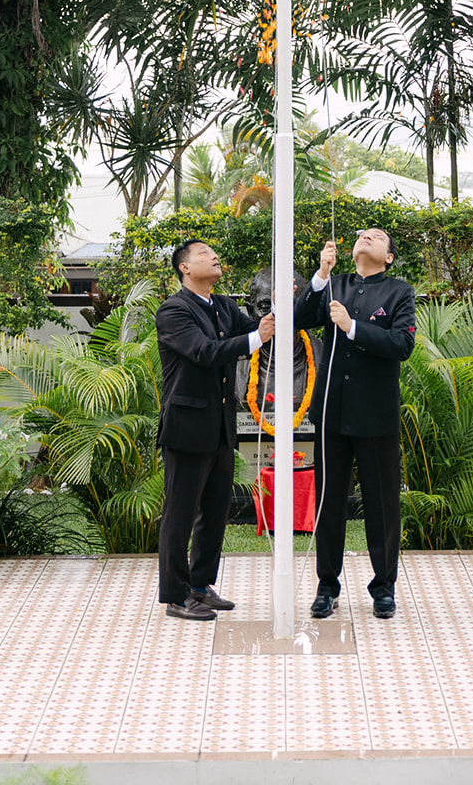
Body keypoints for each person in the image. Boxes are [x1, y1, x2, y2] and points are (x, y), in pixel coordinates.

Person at [294, 227, 416, 622]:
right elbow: (298, 318)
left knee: (382, 503)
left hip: (376, 414)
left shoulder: (399, 292)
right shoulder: (335, 283)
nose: (366, 236)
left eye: (376, 236)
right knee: (329, 500)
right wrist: (320, 276)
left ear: (389, 256)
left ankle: (384, 587)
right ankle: (327, 585)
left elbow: (402, 345)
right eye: (362, 234)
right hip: (331, 411)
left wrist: (352, 328)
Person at [155, 240, 274, 621]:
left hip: (220, 429)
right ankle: (176, 595)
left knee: (214, 511)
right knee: (180, 514)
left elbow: (254, 328)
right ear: (185, 268)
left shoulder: (221, 304)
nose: (214, 256)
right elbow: (204, 352)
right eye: (203, 253)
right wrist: (257, 338)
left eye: (214, 252)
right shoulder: (174, 310)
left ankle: (200, 585)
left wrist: (279, 306)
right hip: (187, 427)